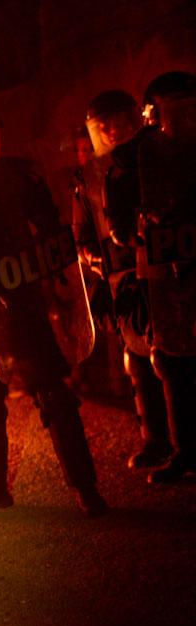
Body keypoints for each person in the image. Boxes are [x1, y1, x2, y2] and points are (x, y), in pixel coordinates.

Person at [0, 98, 107, 516]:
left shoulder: (19, 176)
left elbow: (50, 227)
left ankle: (85, 486)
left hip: (24, 296)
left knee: (54, 392)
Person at [105, 71, 196, 484]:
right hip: (162, 273)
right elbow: (125, 223)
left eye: (188, 110)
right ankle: (185, 450)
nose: (182, 120)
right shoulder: (141, 157)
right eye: (173, 111)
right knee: (171, 360)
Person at [71, 90, 168, 469]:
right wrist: (90, 254)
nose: (112, 131)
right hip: (119, 276)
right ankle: (156, 439)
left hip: (160, 265)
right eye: (104, 126)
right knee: (137, 359)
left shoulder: (154, 156)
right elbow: (82, 228)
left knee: (173, 353)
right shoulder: (88, 175)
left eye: (118, 122)